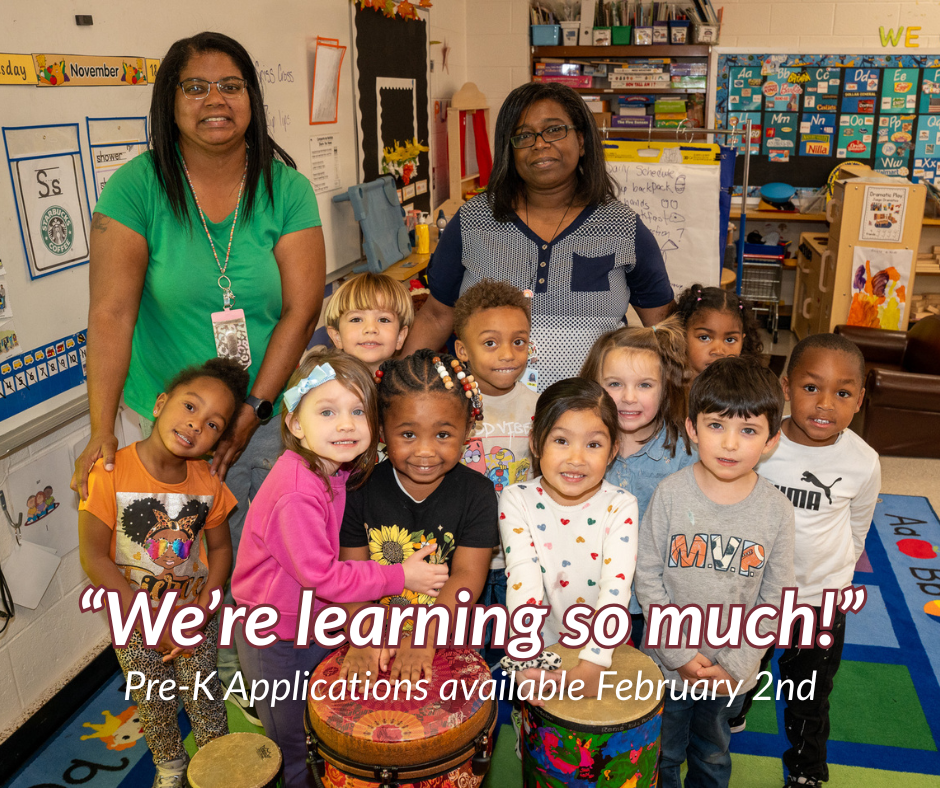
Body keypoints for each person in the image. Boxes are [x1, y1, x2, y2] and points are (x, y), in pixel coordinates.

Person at [72, 31, 326, 716]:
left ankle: (272, 699)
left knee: (264, 567)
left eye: (231, 86)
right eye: (195, 87)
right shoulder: (138, 187)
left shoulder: (286, 186)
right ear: (170, 101)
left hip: (266, 418)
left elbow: (304, 309)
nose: (215, 100)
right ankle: (199, 710)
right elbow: (110, 314)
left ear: (251, 99)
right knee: (171, 574)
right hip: (163, 430)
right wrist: (101, 434)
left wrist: (253, 412)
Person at [230, 351, 448, 788]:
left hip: (313, 625)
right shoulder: (296, 491)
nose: (345, 424)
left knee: (322, 730)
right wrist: (400, 576)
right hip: (275, 640)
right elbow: (323, 576)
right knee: (291, 746)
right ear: (294, 424)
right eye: (326, 411)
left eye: (356, 412)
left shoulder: (333, 473)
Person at [402, 81, 675, 390]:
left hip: (591, 417)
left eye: (554, 130)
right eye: (524, 135)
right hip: (489, 422)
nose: (540, 144)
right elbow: (437, 316)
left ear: (582, 140)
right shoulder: (472, 220)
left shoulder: (622, 226)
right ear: (510, 150)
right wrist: (397, 388)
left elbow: (663, 328)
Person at [78, 358, 249, 788]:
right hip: (135, 622)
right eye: (190, 407)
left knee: (205, 699)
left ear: (218, 441)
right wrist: (148, 618)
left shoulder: (208, 481)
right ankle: (170, 766)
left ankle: (217, 764)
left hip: (194, 617)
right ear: (159, 404)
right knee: (153, 701)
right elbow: (93, 557)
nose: (196, 425)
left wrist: (206, 608)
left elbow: (222, 548)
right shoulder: (109, 474)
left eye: (213, 424)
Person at [636, 356, 795, 788]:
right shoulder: (669, 495)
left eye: (748, 430)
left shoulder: (777, 510)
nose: (729, 444)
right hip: (669, 666)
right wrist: (680, 655)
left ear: (770, 440)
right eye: (715, 426)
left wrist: (738, 664)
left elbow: (776, 598)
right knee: (662, 753)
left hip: (731, 671)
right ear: (692, 428)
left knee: (711, 753)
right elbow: (647, 578)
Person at [748, 334, 879, 787]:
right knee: (741, 665)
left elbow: (858, 527)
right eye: (811, 388)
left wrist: (837, 579)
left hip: (820, 599)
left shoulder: (864, 461)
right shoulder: (758, 442)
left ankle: (806, 771)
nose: (825, 404)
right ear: (785, 387)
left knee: (810, 693)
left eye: (842, 393)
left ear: (859, 400)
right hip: (756, 593)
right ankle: (735, 713)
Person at [338, 349, 499, 683]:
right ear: (381, 430)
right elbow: (351, 575)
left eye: (442, 435)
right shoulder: (358, 488)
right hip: (372, 632)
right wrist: (364, 636)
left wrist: (424, 637)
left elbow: (467, 577)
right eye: (408, 434)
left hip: (449, 632)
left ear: (467, 430)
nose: (425, 451)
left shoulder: (479, 494)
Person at [499, 378, 639, 701]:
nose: (576, 458)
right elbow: (523, 580)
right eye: (561, 440)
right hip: (542, 650)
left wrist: (594, 663)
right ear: (536, 443)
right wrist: (525, 655)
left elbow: (615, 589)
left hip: (606, 652)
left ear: (613, 450)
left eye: (593, 445)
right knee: (539, 744)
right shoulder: (516, 499)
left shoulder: (621, 505)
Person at [580, 316, 695, 645]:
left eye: (645, 385)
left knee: (647, 686)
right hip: (589, 597)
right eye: (614, 384)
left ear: (666, 387)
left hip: (658, 604)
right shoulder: (578, 449)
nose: (629, 397)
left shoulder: (687, 456)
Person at [452, 279, 539, 665]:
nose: (507, 354)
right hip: (458, 562)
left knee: (514, 656)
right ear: (462, 350)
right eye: (490, 343)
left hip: (520, 561)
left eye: (518, 342)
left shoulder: (541, 408)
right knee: (461, 656)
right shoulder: (447, 408)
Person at [324, 272, 414, 374]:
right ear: (337, 336)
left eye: (383, 319)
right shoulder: (326, 387)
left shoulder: (411, 385)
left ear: (400, 337)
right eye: (356, 319)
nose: (371, 328)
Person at [675, 284, 763, 380]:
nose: (718, 351)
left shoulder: (747, 386)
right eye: (704, 338)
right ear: (682, 335)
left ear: (742, 341)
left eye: (730, 340)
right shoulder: (666, 384)